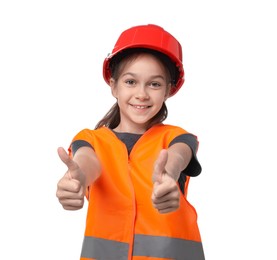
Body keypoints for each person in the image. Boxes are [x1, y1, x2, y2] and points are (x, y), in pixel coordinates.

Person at [56, 24, 205, 260]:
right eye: (130, 82)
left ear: (169, 89)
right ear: (113, 85)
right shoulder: (90, 140)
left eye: (154, 84)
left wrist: (168, 174)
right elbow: (87, 162)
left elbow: (178, 155)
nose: (142, 94)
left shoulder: (177, 138)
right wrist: (77, 180)